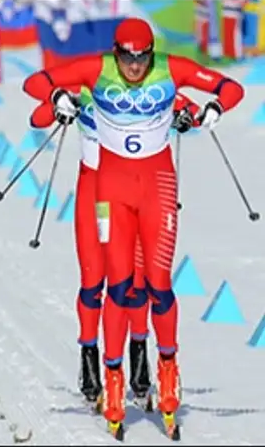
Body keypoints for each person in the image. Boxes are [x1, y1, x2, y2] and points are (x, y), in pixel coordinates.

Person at [22, 17, 244, 437]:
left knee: (157, 284)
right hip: (103, 193)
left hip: (156, 188)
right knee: (110, 285)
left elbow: (227, 90)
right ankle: (108, 374)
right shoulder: (93, 73)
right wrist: (57, 99)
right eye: (127, 58)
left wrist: (210, 110)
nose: (135, 68)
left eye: (142, 59)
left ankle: (165, 371)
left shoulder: (170, 71)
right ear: (115, 53)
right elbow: (36, 89)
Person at [28, 88, 201, 411]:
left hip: (134, 191)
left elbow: (192, 109)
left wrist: (187, 116)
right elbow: (37, 118)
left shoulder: (148, 91)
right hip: (95, 193)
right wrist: (58, 101)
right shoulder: (89, 88)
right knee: (94, 280)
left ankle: (138, 359)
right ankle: (90, 358)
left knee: (135, 281)